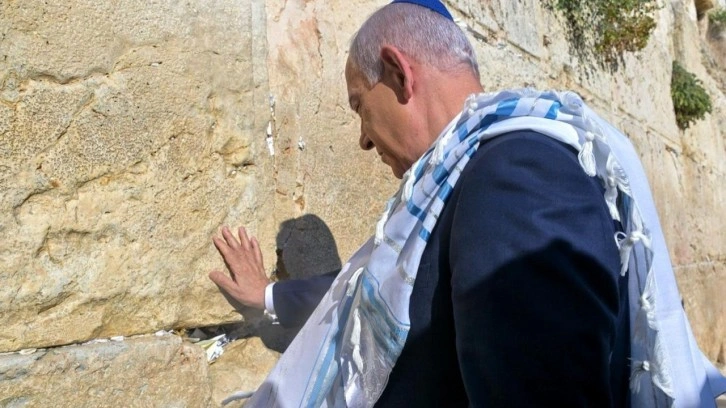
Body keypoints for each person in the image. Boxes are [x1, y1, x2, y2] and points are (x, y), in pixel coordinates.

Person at [209, 0, 726, 406]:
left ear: (398, 72)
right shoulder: (467, 182)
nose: (363, 139)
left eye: (359, 106)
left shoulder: (515, 177)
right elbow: (370, 288)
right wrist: (267, 297)